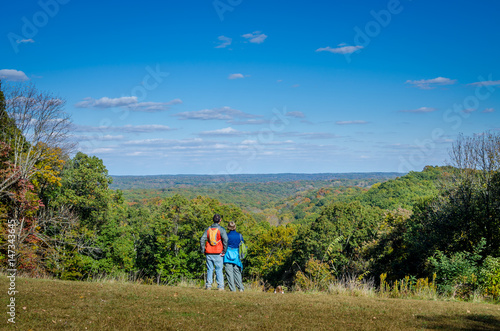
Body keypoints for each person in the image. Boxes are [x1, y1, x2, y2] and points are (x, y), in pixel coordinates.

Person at [200, 214, 228, 290]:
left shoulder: (208, 229)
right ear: (220, 220)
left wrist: (203, 250)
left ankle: (208, 285)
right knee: (219, 269)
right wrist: (224, 250)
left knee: (209, 269)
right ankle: (220, 286)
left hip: (209, 251)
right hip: (218, 251)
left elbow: (202, 239)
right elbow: (226, 240)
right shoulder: (221, 229)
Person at [223, 221, 245, 292]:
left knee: (229, 273)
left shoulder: (226, 236)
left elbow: (224, 245)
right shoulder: (239, 236)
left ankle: (233, 289)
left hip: (227, 255)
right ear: (235, 227)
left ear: (228, 227)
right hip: (236, 256)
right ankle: (241, 288)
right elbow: (242, 244)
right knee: (237, 272)